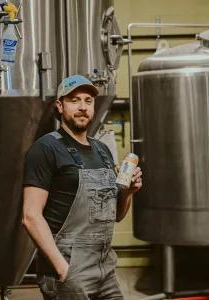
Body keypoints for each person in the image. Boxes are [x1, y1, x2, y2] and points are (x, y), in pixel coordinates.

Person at [22, 75, 143, 300]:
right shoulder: (45, 149)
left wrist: (127, 192)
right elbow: (30, 216)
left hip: (105, 270)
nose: (82, 107)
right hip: (69, 271)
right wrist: (63, 270)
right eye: (74, 100)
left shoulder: (103, 151)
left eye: (88, 101)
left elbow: (115, 216)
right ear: (60, 105)